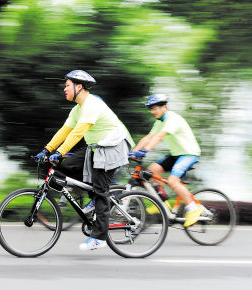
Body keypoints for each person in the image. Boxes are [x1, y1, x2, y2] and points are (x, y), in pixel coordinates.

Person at [35, 70, 134, 251]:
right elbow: (65, 131)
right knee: (64, 165)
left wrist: (61, 150)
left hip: (113, 147)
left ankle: (99, 237)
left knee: (100, 190)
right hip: (96, 148)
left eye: (67, 85)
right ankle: (91, 197)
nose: (64, 89)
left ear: (78, 86)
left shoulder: (92, 104)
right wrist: (47, 150)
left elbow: (78, 132)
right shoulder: (77, 109)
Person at [129, 93, 202, 227]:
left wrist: (145, 151)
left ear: (164, 107)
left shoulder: (172, 118)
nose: (152, 111)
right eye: (151, 109)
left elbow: (159, 137)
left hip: (189, 153)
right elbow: (149, 137)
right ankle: (162, 202)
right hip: (176, 154)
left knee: (173, 181)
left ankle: (193, 208)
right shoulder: (159, 121)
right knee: (152, 170)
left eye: (155, 108)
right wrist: (133, 152)